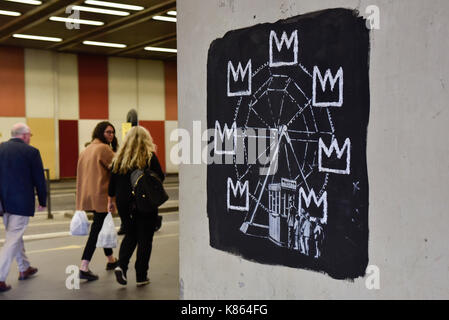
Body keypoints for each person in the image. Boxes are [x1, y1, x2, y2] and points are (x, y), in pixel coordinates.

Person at [108, 126, 164, 287]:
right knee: (145, 239)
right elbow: (160, 177)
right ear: (146, 140)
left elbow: (112, 184)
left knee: (130, 234)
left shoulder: (119, 159)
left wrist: (111, 201)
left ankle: (121, 266)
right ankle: (141, 276)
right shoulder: (149, 156)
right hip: (145, 203)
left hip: (124, 204)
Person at [0, 123, 47, 292]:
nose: (30, 138)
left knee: (14, 235)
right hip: (20, 203)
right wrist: (43, 200)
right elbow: (39, 180)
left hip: (3, 203)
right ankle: (0, 277)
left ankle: (24, 267)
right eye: (30, 135)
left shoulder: (1, 149)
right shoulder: (31, 152)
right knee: (12, 239)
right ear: (25, 135)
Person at [76, 121, 119, 281]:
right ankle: (84, 266)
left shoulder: (87, 149)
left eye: (113, 132)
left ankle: (111, 260)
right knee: (96, 230)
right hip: (101, 195)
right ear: (100, 132)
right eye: (108, 132)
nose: (111, 135)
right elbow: (118, 167)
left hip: (89, 195)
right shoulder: (103, 149)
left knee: (102, 226)